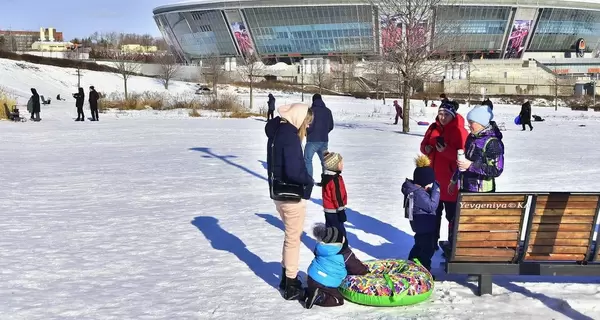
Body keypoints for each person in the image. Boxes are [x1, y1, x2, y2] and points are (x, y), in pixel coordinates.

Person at [265, 103, 315, 300]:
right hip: (291, 195)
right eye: (307, 122)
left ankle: (287, 278)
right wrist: (308, 180)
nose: (308, 127)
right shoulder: (289, 136)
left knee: (290, 237)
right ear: (299, 118)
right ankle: (291, 283)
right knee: (293, 239)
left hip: (279, 193)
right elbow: (294, 171)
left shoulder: (278, 130)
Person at [420, 101, 468, 250]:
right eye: (440, 114)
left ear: (453, 115)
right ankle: (432, 243)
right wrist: (426, 148)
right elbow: (423, 145)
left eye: (446, 114)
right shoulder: (433, 128)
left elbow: (463, 157)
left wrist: (445, 151)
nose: (442, 117)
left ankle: (452, 244)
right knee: (433, 215)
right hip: (433, 179)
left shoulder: (460, 131)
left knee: (452, 216)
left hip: (450, 181)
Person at [319, 151, 368, 275]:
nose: (343, 164)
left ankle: (331, 248)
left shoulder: (328, 176)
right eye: (341, 163)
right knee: (340, 232)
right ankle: (343, 251)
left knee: (331, 230)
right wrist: (341, 210)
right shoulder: (334, 179)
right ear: (335, 165)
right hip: (335, 211)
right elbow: (337, 197)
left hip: (328, 210)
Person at [450, 105, 504, 194]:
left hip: (482, 192)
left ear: (481, 123)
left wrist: (471, 166)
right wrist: (454, 180)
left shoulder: (493, 142)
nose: (469, 125)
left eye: (471, 122)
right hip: (465, 188)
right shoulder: (471, 137)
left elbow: (496, 169)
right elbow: (464, 161)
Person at [401, 155, 440, 273]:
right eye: (430, 183)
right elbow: (431, 206)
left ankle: (412, 264)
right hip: (424, 225)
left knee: (419, 246)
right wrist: (436, 190)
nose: (431, 186)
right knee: (427, 249)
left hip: (421, 225)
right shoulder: (419, 193)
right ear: (424, 182)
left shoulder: (417, 190)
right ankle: (423, 271)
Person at [304, 224, 347, 309]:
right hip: (325, 283)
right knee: (338, 300)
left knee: (312, 289)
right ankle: (320, 297)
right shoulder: (339, 257)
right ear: (338, 244)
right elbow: (341, 272)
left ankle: (305, 294)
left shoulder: (319, 250)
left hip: (311, 278)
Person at [305, 94, 334, 180]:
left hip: (312, 140)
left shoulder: (311, 111)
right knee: (324, 161)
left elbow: (309, 126)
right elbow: (331, 126)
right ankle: (325, 180)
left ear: (313, 100)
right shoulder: (328, 111)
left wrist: (307, 133)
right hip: (324, 140)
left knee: (308, 160)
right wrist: (324, 132)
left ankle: (309, 180)